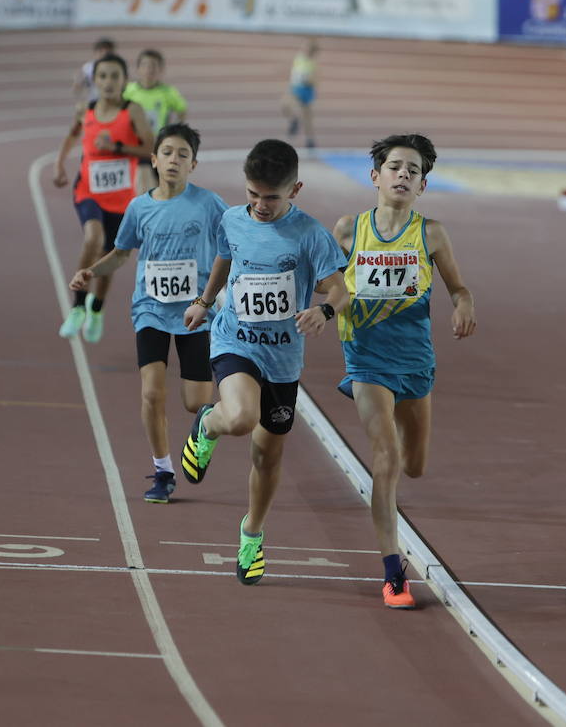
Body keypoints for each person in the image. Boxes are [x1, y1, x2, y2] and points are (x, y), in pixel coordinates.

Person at [179, 139, 350, 585]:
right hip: (234, 339)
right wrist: (205, 299)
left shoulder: (311, 234)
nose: (259, 205)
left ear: (295, 189)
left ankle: (251, 534)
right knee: (239, 417)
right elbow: (223, 257)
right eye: (253, 193)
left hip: (283, 358)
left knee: (267, 456)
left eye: (271, 197)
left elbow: (341, 290)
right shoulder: (232, 219)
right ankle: (208, 425)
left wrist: (323, 311)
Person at [330, 134, 475, 608]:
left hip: (414, 363)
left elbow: (457, 287)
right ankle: (393, 573)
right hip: (367, 360)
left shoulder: (430, 233)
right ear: (375, 176)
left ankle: (392, 425)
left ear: (423, 185)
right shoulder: (349, 230)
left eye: (413, 170)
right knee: (387, 461)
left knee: (414, 466)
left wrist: (463, 305)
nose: (403, 175)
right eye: (395, 167)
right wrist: (324, 309)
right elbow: (328, 285)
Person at [69, 123, 228, 503]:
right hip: (151, 310)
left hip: (194, 312)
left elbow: (234, 240)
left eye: (183, 155)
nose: (174, 160)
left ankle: (204, 432)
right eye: (168, 153)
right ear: (154, 160)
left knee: (196, 401)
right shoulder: (139, 206)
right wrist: (92, 271)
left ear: (193, 164)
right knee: (151, 394)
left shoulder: (208, 204)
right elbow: (122, 253)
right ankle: (163, 471)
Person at [53, 53, 154, 344]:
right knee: (93, 240)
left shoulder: (132, 111)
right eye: (103, 76)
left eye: (115, 76)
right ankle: (76, 308)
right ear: (95, 81)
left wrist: (117, 146)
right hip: (88, 191)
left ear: (125, 81)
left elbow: (150, 148)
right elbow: (73, 135)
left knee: (111, 255)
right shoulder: (85, 110)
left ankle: (96, 309)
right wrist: (60, 163)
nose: (108, 82)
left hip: (121, 199)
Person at [125, 49, 188, 193]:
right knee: (141, 182)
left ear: (160, 70)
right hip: (136, 146)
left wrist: (176, 131)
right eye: (145, 65)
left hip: (159, 145)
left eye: (153, 66)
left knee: (162, 188)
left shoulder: (167, 92)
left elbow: (182, 109)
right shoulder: (129, 91)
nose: (149, 70)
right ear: (138, 69)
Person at [280, 38, 318, 150]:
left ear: (312, 51)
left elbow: (314, 80)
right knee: (285, 105)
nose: (305, 49)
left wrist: (309, 80)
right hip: (296, 88)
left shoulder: (313, 63)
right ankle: (294, 120)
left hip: (307, 90)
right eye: (304, 47)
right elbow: (294, 73)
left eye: (308, 48)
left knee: (307, 117)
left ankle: (310, 141)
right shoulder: (299, 58)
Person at [72, 36, 116, 121]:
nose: (104, 54)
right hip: (94, 104)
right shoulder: (88, 68)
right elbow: (77, 89)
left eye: (107, 52)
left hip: (113, 105)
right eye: (101, 51)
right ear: (95, 53)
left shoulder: (117, 67)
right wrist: (77, 82)